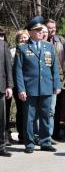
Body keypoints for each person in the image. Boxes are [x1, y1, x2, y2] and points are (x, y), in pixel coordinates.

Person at [15, 16, 61, 153]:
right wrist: (21, 89)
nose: (41, 32)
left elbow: (55, 68)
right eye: (38, 30)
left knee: (46, 116)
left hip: (47, 87)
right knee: (29, 118)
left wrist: (56, 85)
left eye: (42, 30)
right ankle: (29, 144)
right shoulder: (22, 48)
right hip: (30, 89)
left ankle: (45, 142)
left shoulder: (49, 46)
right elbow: (18, 71)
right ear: (30, 32)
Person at [45, 19, 65, 140]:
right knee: (46, 109)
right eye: (50, 27)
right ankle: (46, 134)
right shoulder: (41, 41)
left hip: (60, 80)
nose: (53, 29)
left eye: (54, 27)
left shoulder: (61, 41)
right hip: (45, 79)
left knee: (57, 109)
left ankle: (56, 133)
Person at [7, 30, 30, 145]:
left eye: (25, 37)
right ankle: (21, 135)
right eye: (21, 38)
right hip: (15, 86)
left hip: (28, 85)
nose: (23, 39)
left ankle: (27, 135)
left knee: (28, 111)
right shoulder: (11, 51)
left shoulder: (32, 50)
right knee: (20, 110)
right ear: (17, 39)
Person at [0, 27, 14, 157]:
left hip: (1, 87)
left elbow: (8, 68)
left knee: (1, 119)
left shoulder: (3, 45)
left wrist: (9, 86)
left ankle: (1, 146)